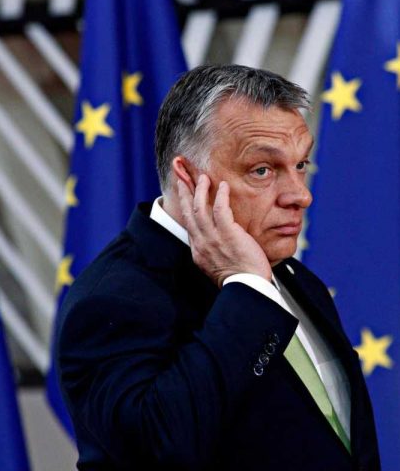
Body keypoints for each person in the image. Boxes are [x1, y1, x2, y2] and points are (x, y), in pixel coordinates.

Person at [55, 64, 380, 470]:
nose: (300, 195)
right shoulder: (111, 298)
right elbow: (156, 450)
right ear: (189, 179)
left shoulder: (297, 279)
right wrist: (246, 289)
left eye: (301, 165)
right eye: (263, 170)